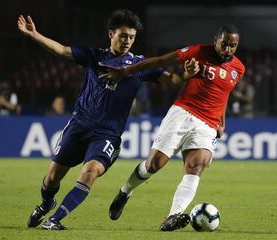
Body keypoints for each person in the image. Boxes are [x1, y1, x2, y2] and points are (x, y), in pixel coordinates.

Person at [17, 9, 199, 230]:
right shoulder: (96, 57)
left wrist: (187, 75)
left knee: (90, 172)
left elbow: (171, 80)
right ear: (111, 34)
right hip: (78, 127)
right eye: (123, 35)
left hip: (107, 135)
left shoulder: (139, 65)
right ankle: (46, 204)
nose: (127, 41)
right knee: (51, 179)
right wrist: (35, 35)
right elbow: (63, 51)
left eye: (131, 37)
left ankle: (55, 220)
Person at [104, 24, 245, 231]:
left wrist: (222, 120)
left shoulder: (238, 68)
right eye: (224, 44)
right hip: (183, 113)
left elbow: (223, 94)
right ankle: (125, 191)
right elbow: (162, 61)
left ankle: (172, 216)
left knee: (197, 166)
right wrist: (126, 71)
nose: (228, 50)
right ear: (216, 40)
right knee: (153, 165)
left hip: (207, 124)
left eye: (233, 46)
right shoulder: (198, 51)